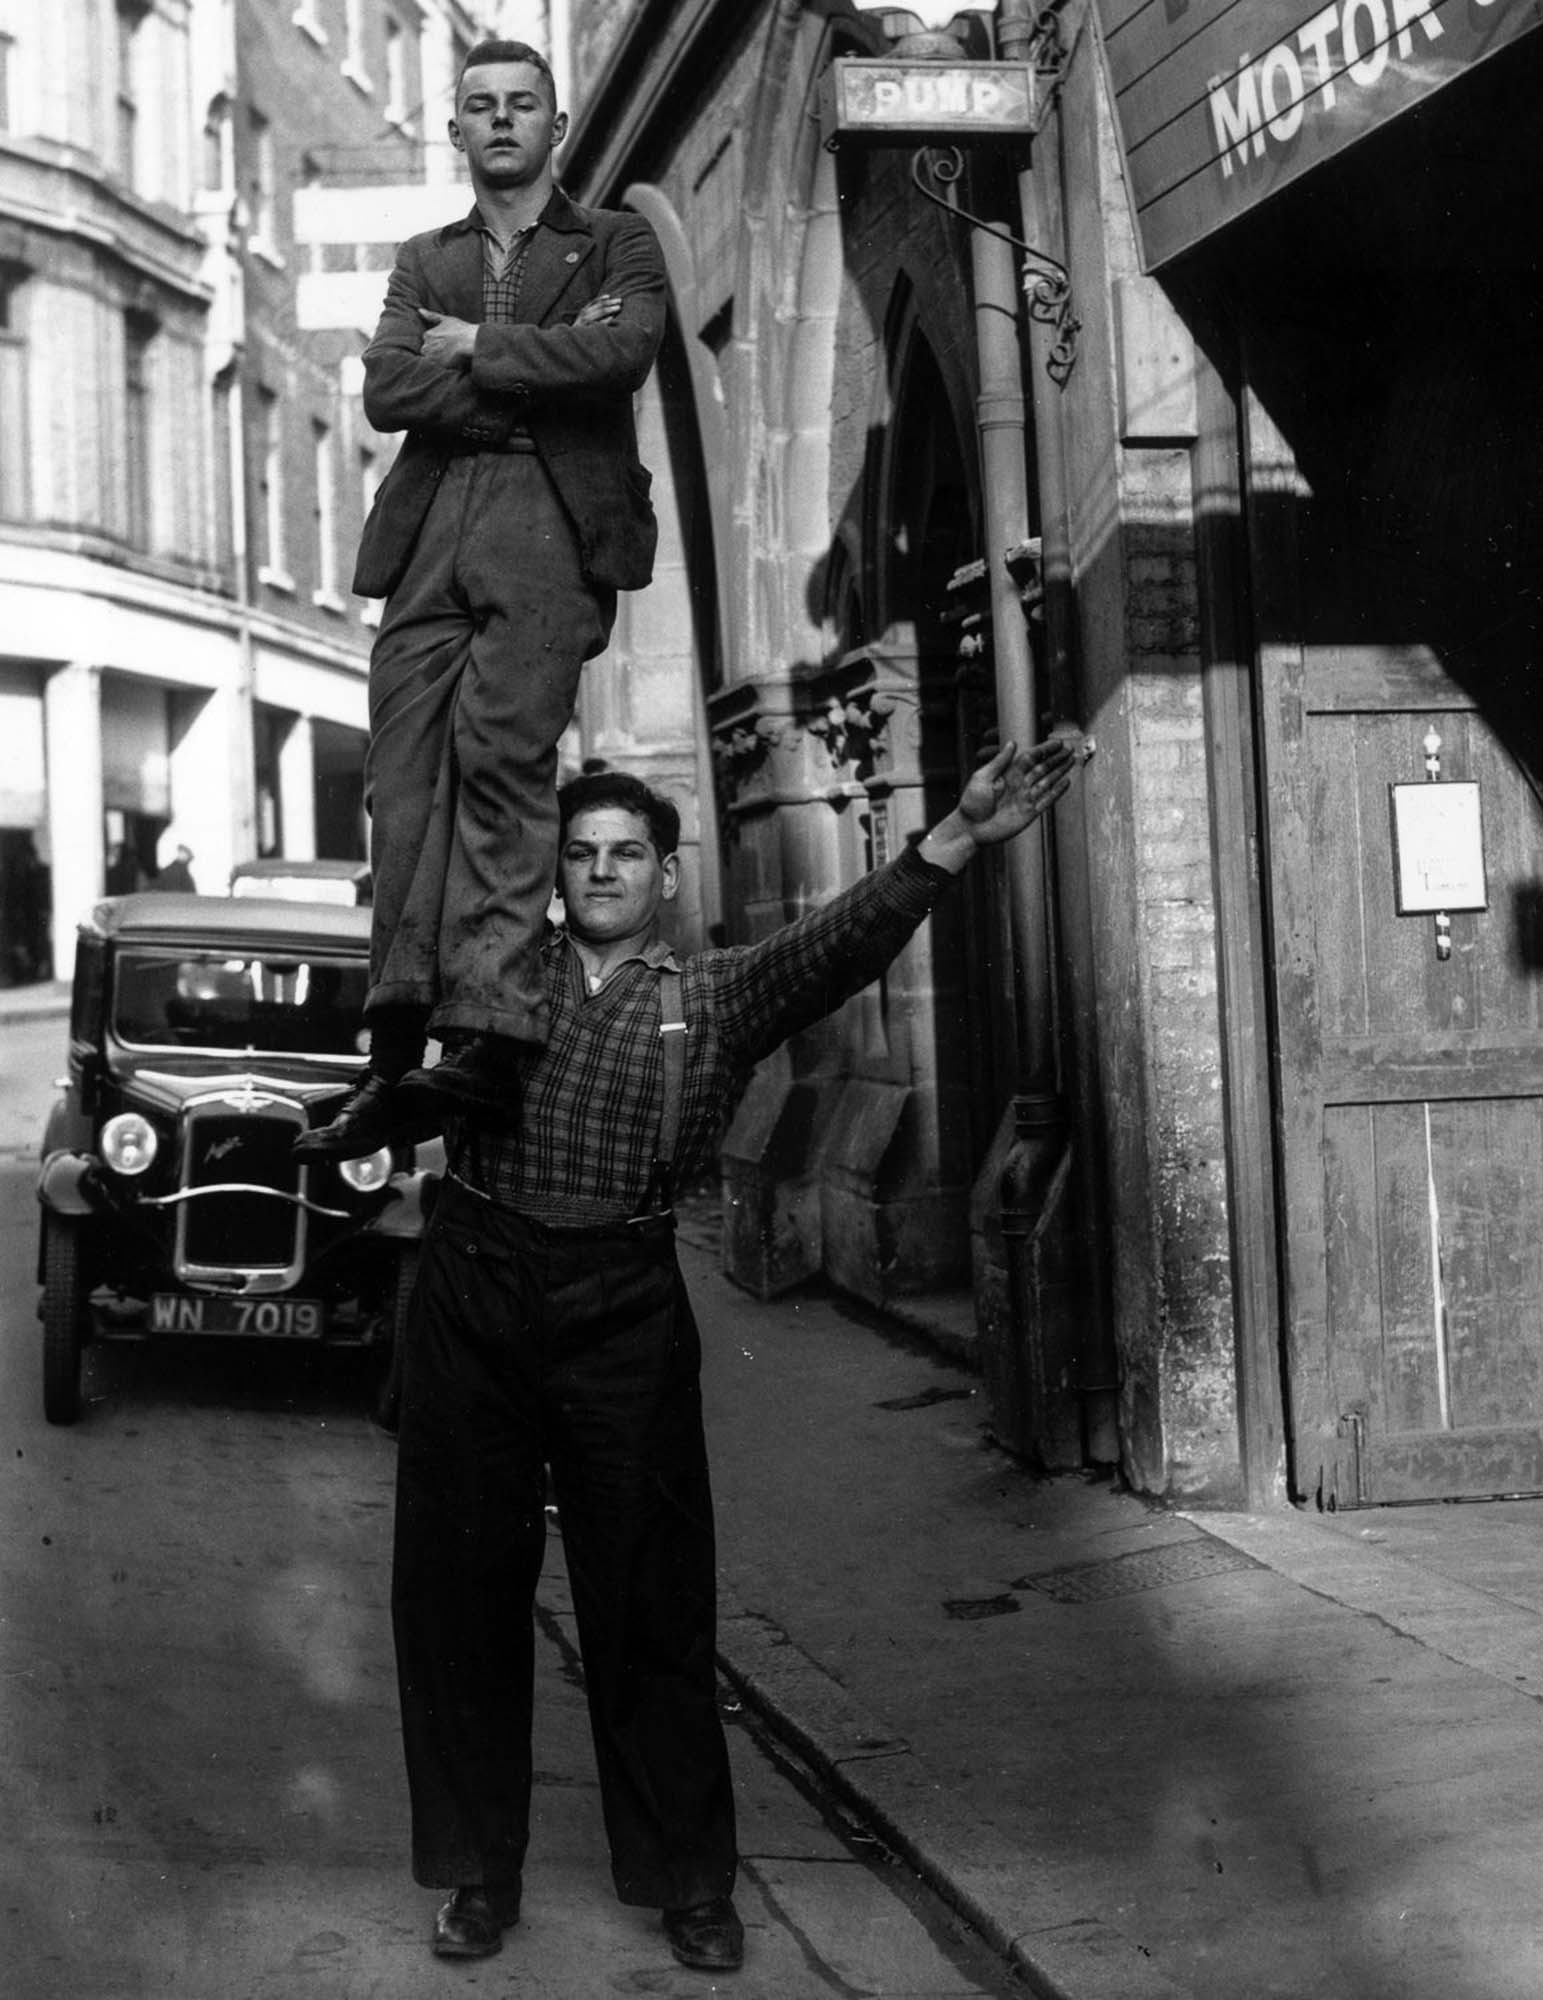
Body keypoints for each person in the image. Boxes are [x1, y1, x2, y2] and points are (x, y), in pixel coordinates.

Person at [389, 735, 1079, 1969]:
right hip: (475, 1284)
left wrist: (957, 834)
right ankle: (475, 1873)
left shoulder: (710, 996)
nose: (601, 872)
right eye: (580, 853)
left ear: (665, 872)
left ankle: (687, 1880)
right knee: (456, 1592)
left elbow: (841, 942)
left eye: (626, 855)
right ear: (551, 871)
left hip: (623, 1298)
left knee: (650, 1595)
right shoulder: (490, 973)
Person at [297, 38, 666, 1163]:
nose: (501, 121)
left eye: (522, 105)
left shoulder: (616, 239)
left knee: (505, 762)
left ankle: (493, 1034)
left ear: (555, 127)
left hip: (549, 518)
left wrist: (483, 350)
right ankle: (399, 1037)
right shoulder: (422, 257)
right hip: (431, 523)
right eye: (478, 107)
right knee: (402, 779)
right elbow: (390, 388)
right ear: (454, 131)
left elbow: (628, 350)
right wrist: (535, 359)